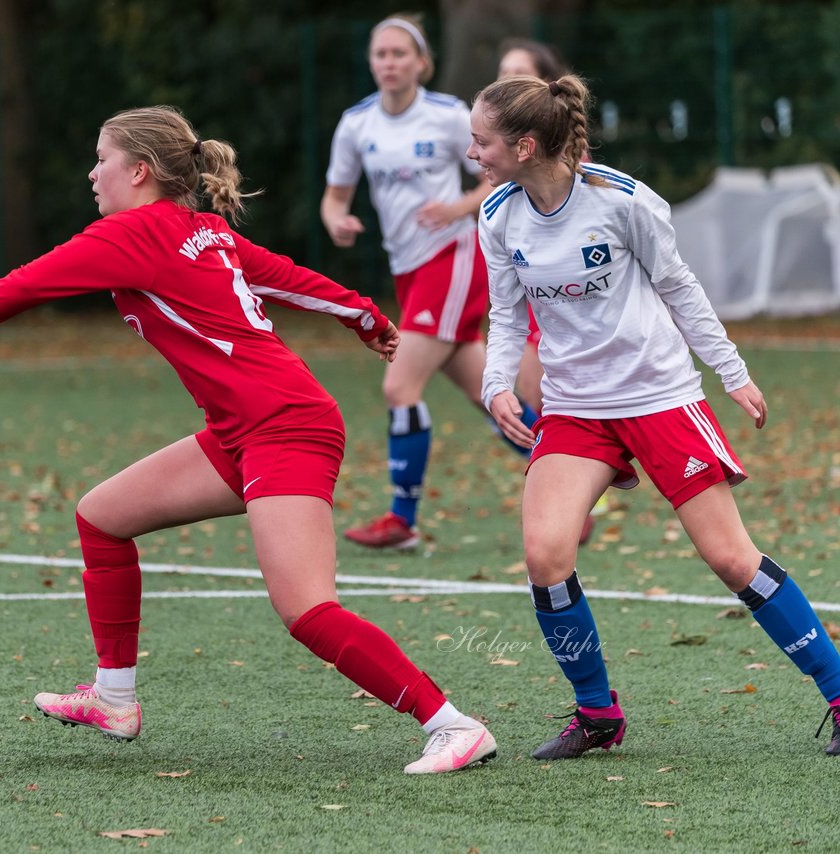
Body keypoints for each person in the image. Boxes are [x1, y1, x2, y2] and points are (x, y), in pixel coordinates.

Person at [0, 105, 497, 775]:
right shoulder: (203, 230)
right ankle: (114, 698)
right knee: (102, 518)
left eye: (101, 159)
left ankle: (451, 725)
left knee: (308, 609)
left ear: (137, 171)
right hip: (245, 430)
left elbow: (31, 281)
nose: (91, 173)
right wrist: (363, 316)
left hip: (285, 426)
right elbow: (288, 276)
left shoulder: (132, 234)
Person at [469, 73, 840, 758]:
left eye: (480, 142)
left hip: (659, 398)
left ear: (523, 146)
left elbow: (681, 287)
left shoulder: (622, 201)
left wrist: (733, 373)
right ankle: (597, 714)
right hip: (576, 409)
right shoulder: (497, 216)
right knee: (545, 555)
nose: (472, 155)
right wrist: (498, 385)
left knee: (731, 558)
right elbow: (504, 313)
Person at [321, 14, 539, 551]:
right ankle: (576, 468)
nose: (389, 63)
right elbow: (335, 197)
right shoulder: (357, 125)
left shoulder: (448, 116)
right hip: (409, 271)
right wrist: (336, 222)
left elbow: (498, 175)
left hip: (453, 258)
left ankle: (402, 519)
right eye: (381, 54)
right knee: (487, 392)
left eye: (400, 54)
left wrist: (457, 207)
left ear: (422, 63)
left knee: (399, 384)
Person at [495, 37, 607, 543]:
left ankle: (581, 489)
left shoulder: (574, 164)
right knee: (527, 396)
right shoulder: (498, 177)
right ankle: (569, 494)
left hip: (575, 298)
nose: (507, 81)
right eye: (502, 73)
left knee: (552, 397)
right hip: (530, 285)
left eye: (519, 73)